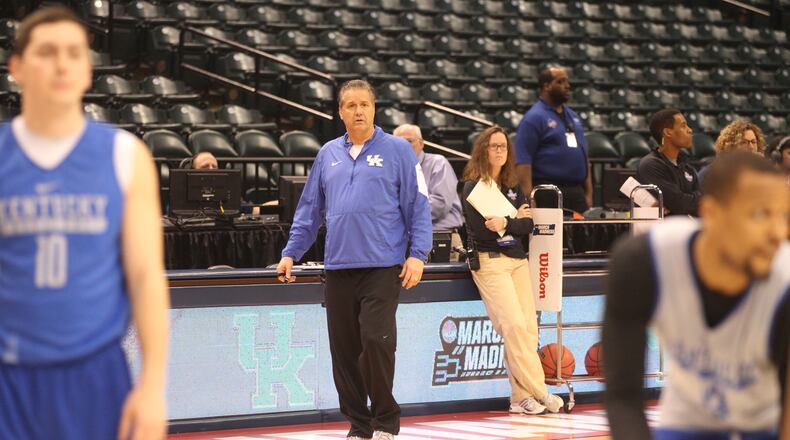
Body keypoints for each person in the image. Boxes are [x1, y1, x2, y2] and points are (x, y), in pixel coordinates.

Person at [0, 6, 169, 440]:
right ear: (15, 67)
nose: (61, 63)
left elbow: (147, 277)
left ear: (88, 71)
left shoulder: (125, 155)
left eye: (74, 53)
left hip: (96, 374)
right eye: (47, 52)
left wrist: (152, 387)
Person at [276, 80, 432, 440]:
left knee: (376, 341)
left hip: (382, 265)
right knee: (344, 353)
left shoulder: (398, 151)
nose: (358, 111)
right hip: (338, 267)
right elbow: (309, 210)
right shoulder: (327, 153)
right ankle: (359, 426)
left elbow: (418, 206)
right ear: (340, 112)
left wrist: (418, 255)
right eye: (350, 105)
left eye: (364, 104)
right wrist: (290, 253)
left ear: (374, 109)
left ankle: (385, 423)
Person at [603, 150, 790, 439]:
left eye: (784, 216)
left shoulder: (785, 280)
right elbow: (623, 395)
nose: (778, 232)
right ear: (712, 214)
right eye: (761, 214)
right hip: (685, 425)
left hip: (763, 427)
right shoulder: (644, 260)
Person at [461, 126, 565, 416]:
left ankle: (520, 399)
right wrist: (513, 220)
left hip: (518, 261)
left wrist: (506, 222)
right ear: (483, 150)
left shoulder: (513, 186)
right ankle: (542, 392)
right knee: (514, 327)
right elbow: (482, 233)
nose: (499, 151)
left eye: (503, 147)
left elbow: (527, 226)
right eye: (493, 146)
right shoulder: (472, 187)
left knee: (528, 330)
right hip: (490, 261)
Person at [515, 66, 592, 215]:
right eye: (561, 82)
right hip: (547, 193)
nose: (567, 86)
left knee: (583, 237)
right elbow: (524, 162)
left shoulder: (573, 117)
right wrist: (529, 199)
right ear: (547, 86)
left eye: (567, 81)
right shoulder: (533, 118)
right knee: (551, 238)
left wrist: (588, 193)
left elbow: (584, 156)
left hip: (576, 192)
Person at [393, 123, 463, 261]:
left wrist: (401, 211)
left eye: (409, 141)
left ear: (421, 143)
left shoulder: (438, 163)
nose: (404, 147)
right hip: (404, 241)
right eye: (399, 143)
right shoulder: (392, 169)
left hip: (442, 237)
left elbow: (439, 204)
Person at [637, 108, 700, 216]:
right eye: (683, 126)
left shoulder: (686, 165)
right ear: (667, 132)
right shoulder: (650, 165)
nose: (690, 130)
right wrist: (693, 200)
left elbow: (702, 202)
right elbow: (679, 204)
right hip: (662, 231)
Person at [698, 119, 766, 184]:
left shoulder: (760, 172)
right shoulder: (711, 173)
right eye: (744, 142)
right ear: (730, 146)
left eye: (753, 142)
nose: (751, 147)